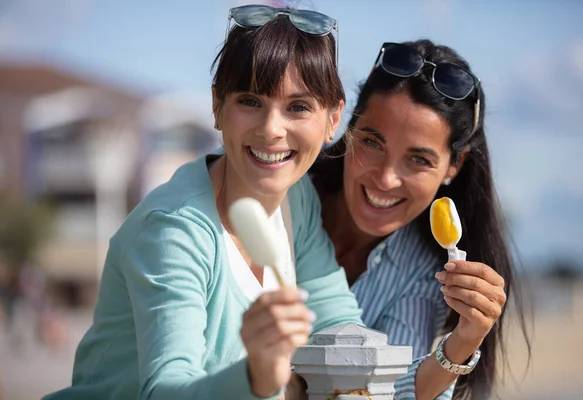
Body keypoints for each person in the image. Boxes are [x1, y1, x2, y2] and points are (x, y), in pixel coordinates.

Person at [42, 5, 364, 399]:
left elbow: (336, 316)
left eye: (298, 107)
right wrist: (258, 376)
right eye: (250, 101)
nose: (270, 130)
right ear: (217, 106)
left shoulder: (297, 199)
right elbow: (164, 389)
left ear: (333, 119)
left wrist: (357, 381)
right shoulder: (174, 229)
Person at [311, 40, 530, 399]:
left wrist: (464, 339)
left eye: (419, 160)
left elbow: (396, 391)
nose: (385, 178)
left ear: (453, 166)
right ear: (348, 127)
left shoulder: (426, 273)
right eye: (372, 143)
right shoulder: (284, 194)